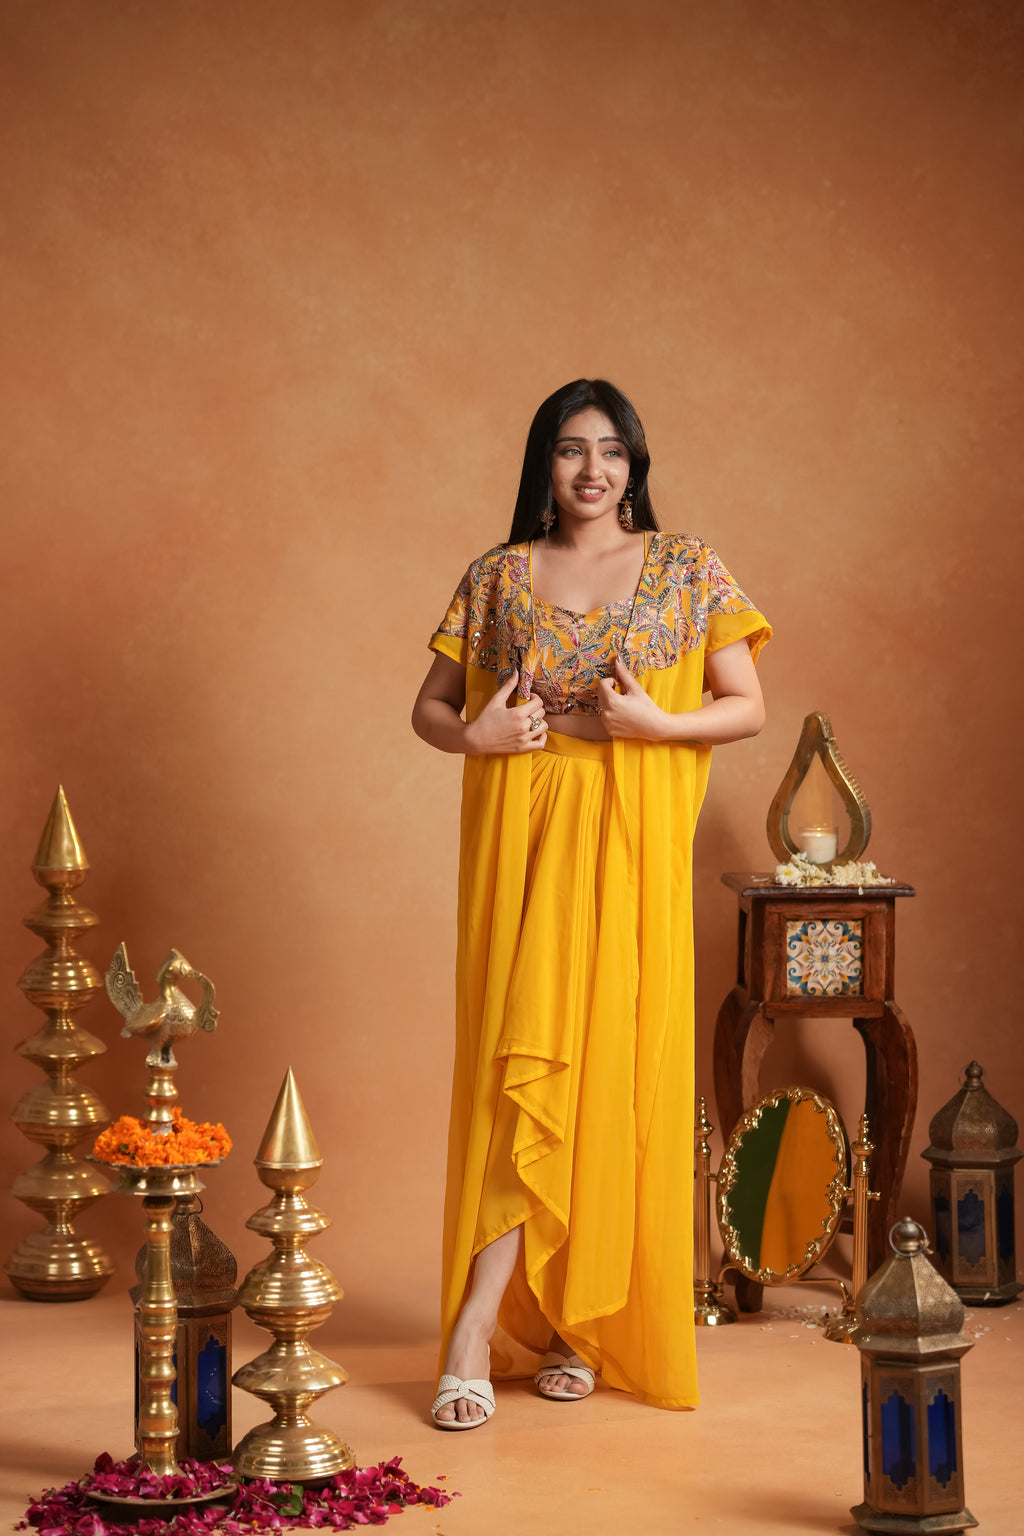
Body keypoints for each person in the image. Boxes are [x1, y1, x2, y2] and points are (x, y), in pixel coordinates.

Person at [412, 379, 771, 1428]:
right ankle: (476, 1326)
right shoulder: (497, 576)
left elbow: (745, 705)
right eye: (570, 451)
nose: (591, 472)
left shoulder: (684, 566)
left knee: (609, 1068)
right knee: (520, 1068)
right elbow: (431, 710)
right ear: (543, 464)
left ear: (635, 463)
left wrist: (656, 728)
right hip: (527, 836)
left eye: (610, 451)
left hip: (627, 840)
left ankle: (581, 1322)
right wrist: (475, 737)